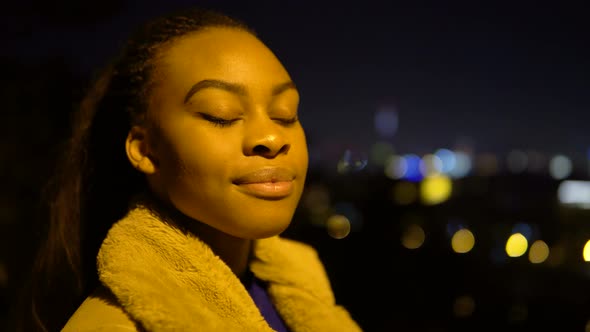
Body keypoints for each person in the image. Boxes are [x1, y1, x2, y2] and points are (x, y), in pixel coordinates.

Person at [18, 5, 362, 332]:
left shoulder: (304, 287)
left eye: (285, 113)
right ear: (145, 149)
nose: (272, 137)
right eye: (221, 114)